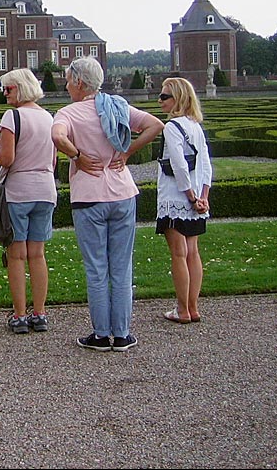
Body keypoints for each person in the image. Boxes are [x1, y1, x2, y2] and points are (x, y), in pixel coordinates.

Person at [51, 57, 163, 353]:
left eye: (67, 79)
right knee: (122, 267)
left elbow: (57, 136)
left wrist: (76, 156)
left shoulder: (68, 112)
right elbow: (155, 125)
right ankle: (123, 334)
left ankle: (101, 335)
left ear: (78, 82)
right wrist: (127, 154)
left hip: (89, 197)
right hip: (123, 192)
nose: (65, 84)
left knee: (97, 268)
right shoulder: (117, 106)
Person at [0, 69, 57, 335]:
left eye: (8, 89)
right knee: (38, 254)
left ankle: (19, 315)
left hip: (19, 191)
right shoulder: (48, 117)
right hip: (45, 189)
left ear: (19, 88)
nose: (4, 93)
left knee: (16, 255)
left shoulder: (13, 116)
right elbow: (52, 160)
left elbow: (7, 159)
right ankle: (39, 313)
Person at [156, 77, 212, 324]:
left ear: (177, 99)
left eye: (164, 96)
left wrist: (189, 197)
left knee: (179, 254)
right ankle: (193, 307)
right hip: (197, 197)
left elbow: (178, 165)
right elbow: (207, 165)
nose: (160, 100)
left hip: (175, 197)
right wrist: (203, 197)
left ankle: (182, 310)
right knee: (193, 253)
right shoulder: (195, 126)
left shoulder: (172, 127)